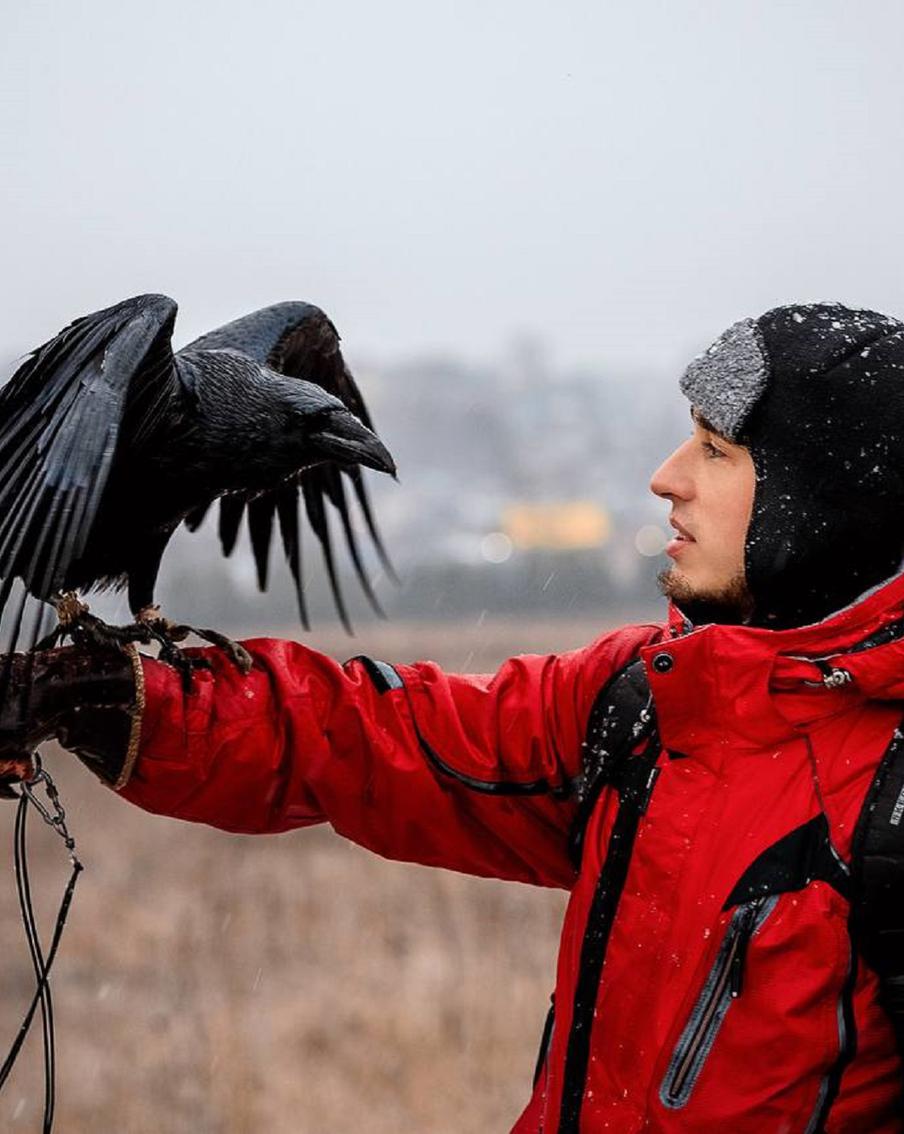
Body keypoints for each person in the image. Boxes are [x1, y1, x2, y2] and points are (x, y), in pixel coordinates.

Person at [4, 301, 904, 1132]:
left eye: (714, 449)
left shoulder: (888, 798)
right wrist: (122, 698)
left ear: (817, 502)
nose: (665, 478)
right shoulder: (648, 704)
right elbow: (374, 740)